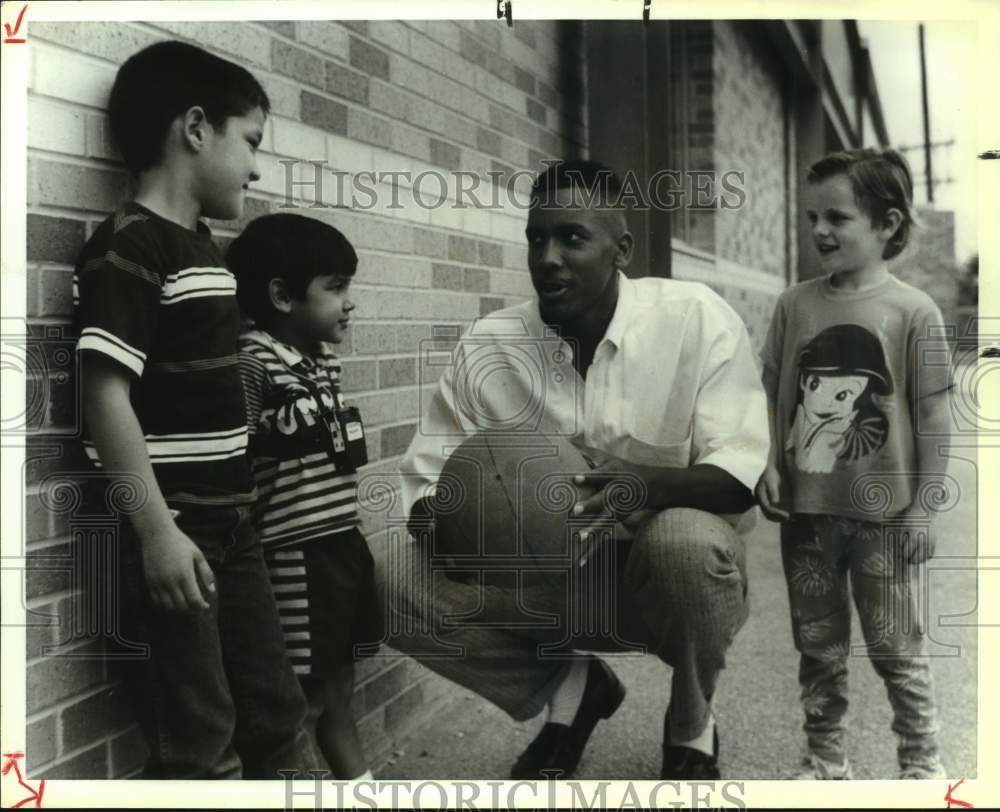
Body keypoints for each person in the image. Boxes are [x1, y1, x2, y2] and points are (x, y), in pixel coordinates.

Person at [387, 160, 770, 779]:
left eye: (571, 237)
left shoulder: (695, 317)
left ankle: (691, 717)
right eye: (537, 238)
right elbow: (421, 491)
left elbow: (739, 473)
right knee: (386, 578)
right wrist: (478, 512)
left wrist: (630, 483)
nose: (548, 257)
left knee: (687, 543)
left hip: (658, 575)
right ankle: (572, 685)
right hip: (542, 581)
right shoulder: (492, 344)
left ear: (621, 249)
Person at [73, 41, 317, 778]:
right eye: (251, 143)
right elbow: (102, 393)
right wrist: (155, 534)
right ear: (196, 128)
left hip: (231, 528)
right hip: (172, 533)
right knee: (199, 743)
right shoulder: (129, 248)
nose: (256, 167)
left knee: (277, 715)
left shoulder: (204, 248)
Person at [755, 148, 952, 780]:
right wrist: (770, 463)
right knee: (818, 647)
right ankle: (825, 760)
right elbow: (769, 392)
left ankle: (921, 763)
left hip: (884, 519)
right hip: (807, 517)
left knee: (897, 648)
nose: (818, 230)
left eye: (836, 217)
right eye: (812, 216)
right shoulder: (794, 305)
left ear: (887, 224)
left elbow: (934, 418)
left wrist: (923, 507)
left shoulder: (913, 311)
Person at [228, 213, 381, 780]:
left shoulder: (321, 360)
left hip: (341, 543)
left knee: (341, 686)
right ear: (281, 296)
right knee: (305, 697)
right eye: (335, 288)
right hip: (295, 555)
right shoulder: (254, 361)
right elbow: (232, 454)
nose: (349, 303)